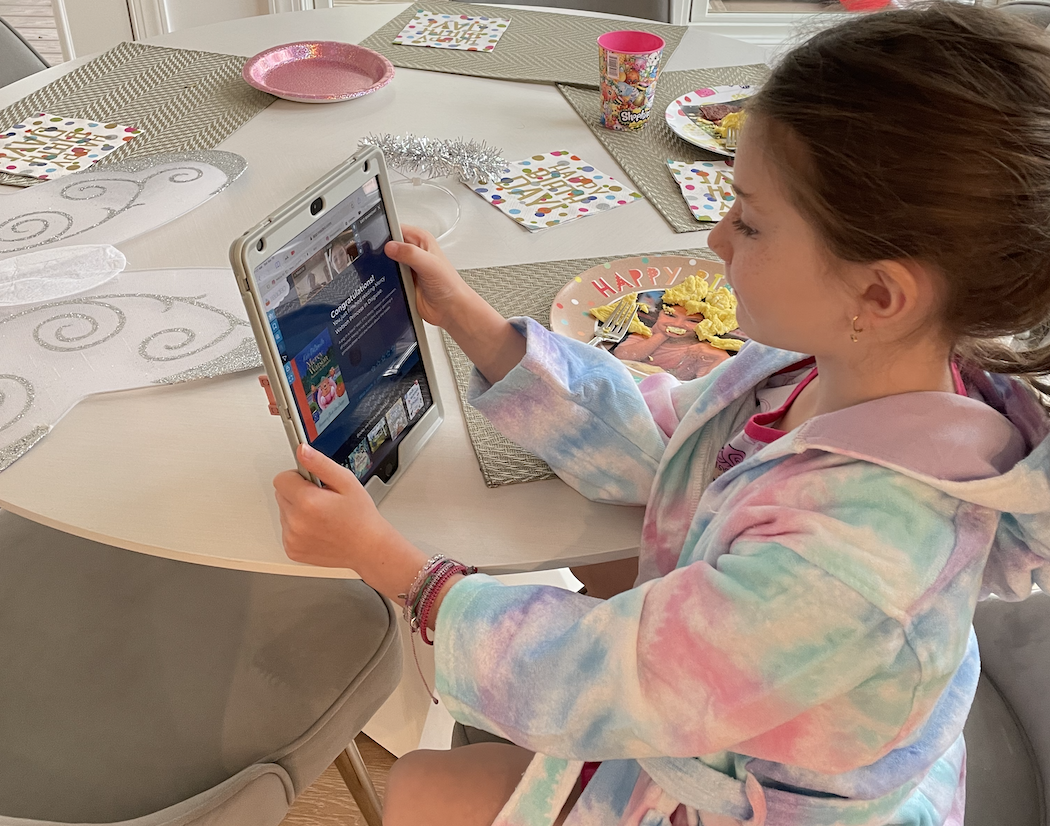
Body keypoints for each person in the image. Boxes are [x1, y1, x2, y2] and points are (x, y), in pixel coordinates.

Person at [272, 4, 1050, 825]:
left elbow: (615, 676)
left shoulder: (859, 562)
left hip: (755, 795)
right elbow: (668, 441)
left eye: (751, 221)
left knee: (420, 789)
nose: (717, 239)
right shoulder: (826, 369)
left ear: (880, 295)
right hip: (729, 710)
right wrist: (482, 330)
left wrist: (395, 566)